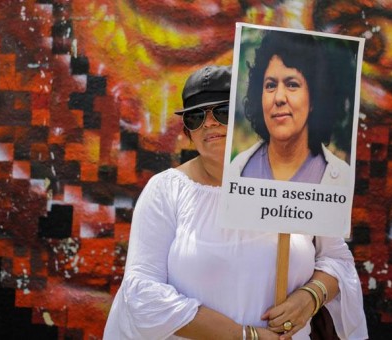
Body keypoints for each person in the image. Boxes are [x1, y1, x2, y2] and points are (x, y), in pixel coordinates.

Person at [103, 65, 367, 339]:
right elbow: (141, 292)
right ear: (187, 133)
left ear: (247, 117)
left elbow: (337, 261)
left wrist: (310, 297)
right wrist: (244, 335)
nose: (209, 123)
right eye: (195, 117)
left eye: (222, 111)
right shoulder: (165, 191)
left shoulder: (301, 182)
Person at [231, 30, 351, 185]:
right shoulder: (238, 171)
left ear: (314, 99)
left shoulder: (343, 179)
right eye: (271, 85)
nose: (279, 98)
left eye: (292, 84)